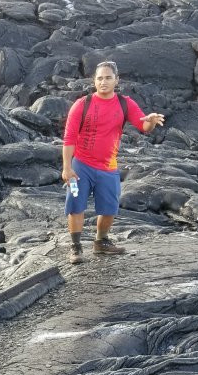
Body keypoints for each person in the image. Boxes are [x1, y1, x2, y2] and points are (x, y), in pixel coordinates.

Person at [62, 60, 165, 264]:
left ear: (117, 80)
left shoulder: (125, 103)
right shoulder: (82, 104)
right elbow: (69, 138)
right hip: (81, 165)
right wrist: (67, 167)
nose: (104, 82)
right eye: (100, 78)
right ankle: (76, 246)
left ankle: (101, 242)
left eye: (108, 78)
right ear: (94, 80)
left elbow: (143, 126)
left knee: (109, 209)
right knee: (75, 206)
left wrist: (151, 122)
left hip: (108, 167)